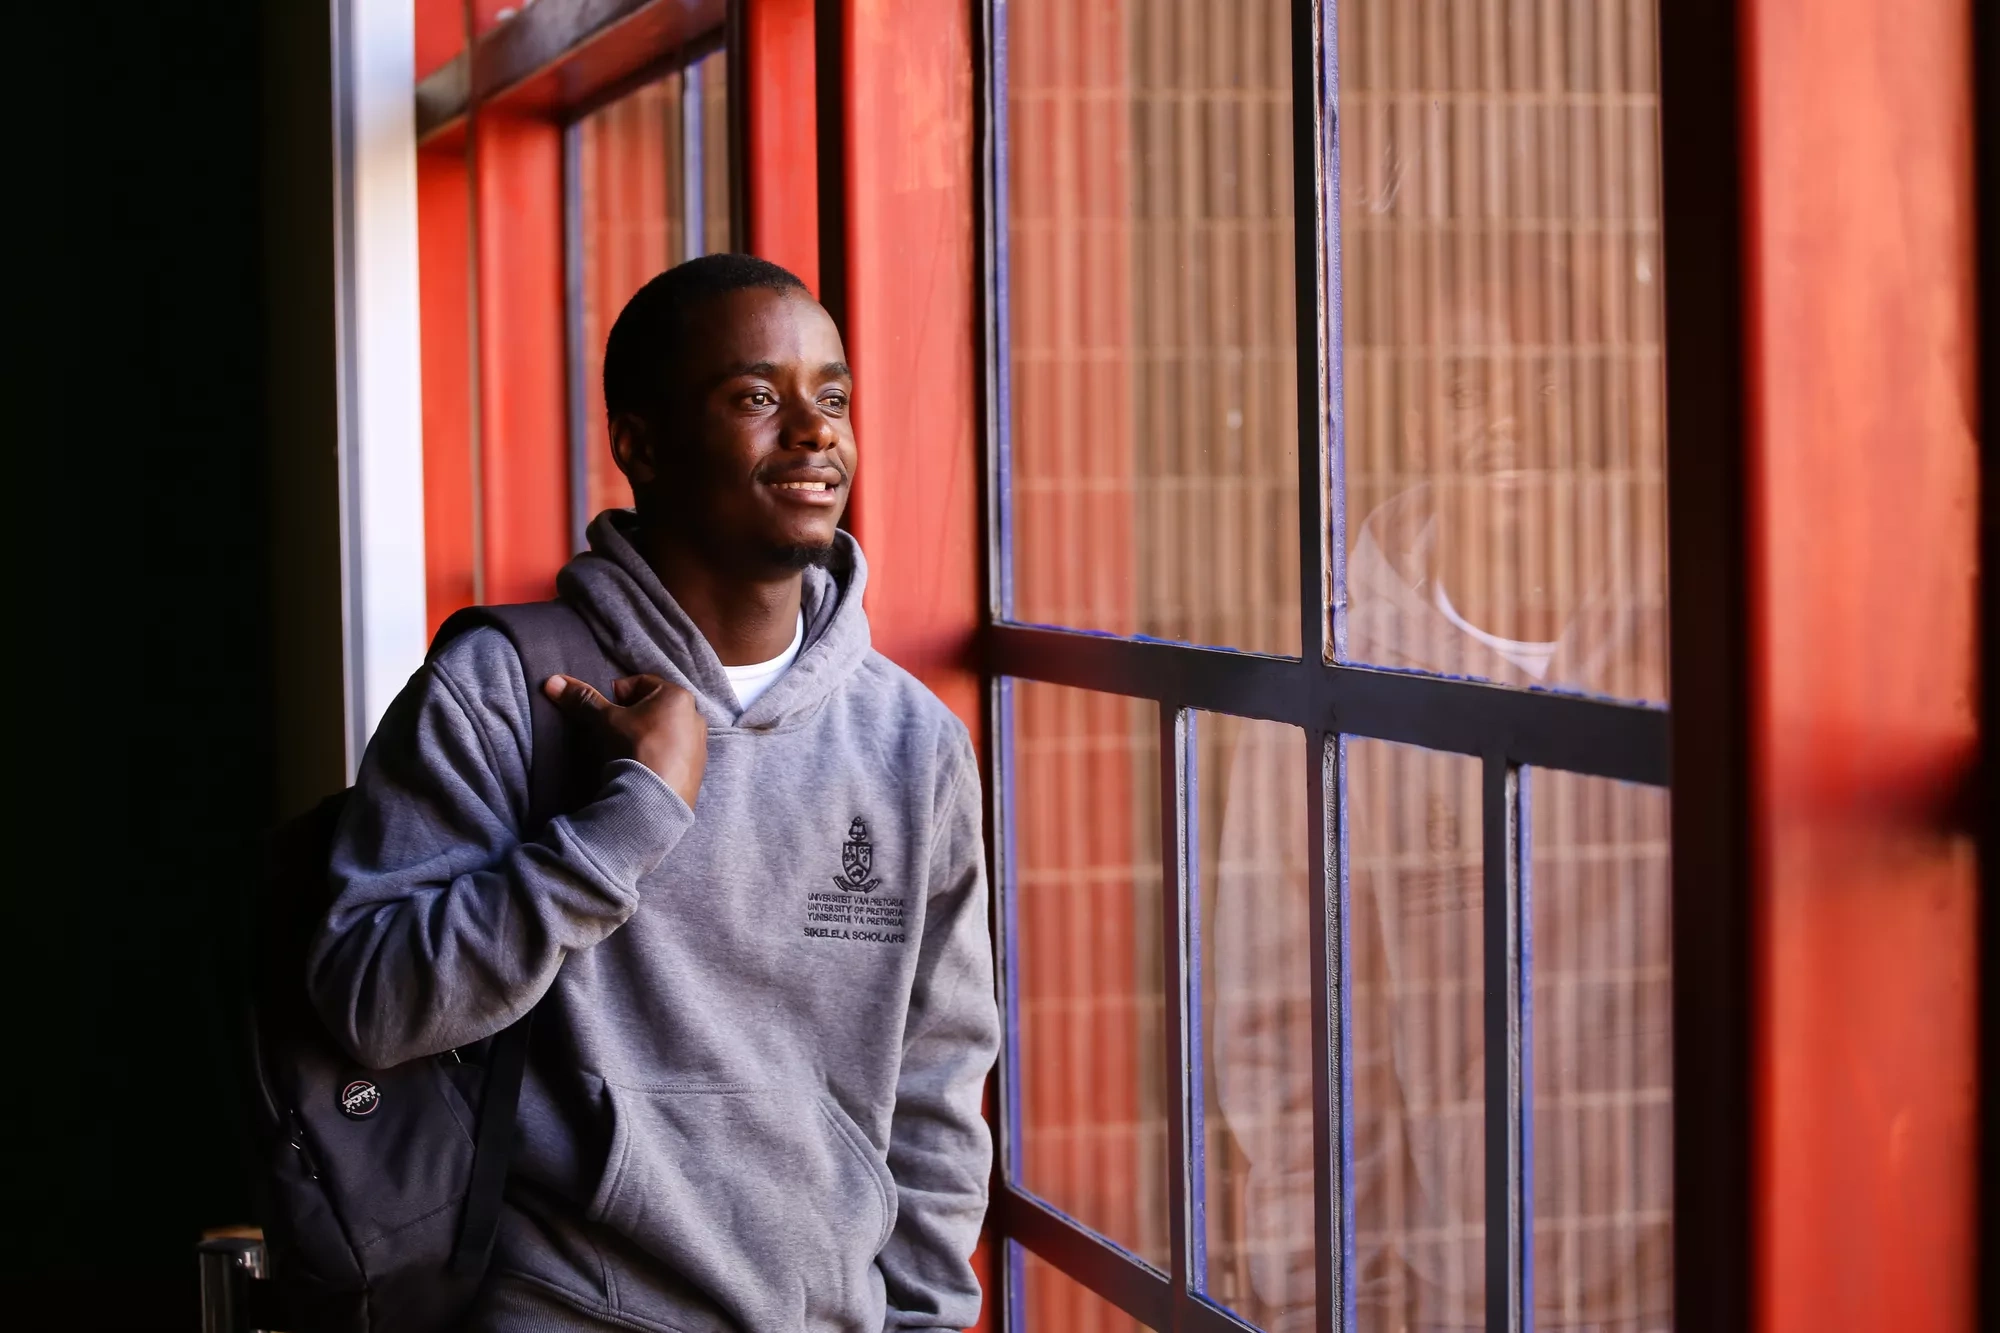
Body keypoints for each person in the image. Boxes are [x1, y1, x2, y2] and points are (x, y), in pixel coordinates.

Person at [308, 254, 1000, 1331]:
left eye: (831, 398)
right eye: (757, 398)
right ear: (639, 441)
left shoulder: (913, 742)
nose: (813, 433)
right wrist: (627, 821)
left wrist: (926, 1322)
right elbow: (373, 1002)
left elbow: (936, 1089)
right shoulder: (503, 689)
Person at [1211, 292, 1670, 1332]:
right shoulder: (1335, 685)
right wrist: (1330, 1306)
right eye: (1467, 391)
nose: (1508, 420)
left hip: (1688, 1274)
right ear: (1418, 429)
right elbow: (1292, 1046)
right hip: (1457, 1297)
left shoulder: (1690, 635)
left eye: (1545, 384)